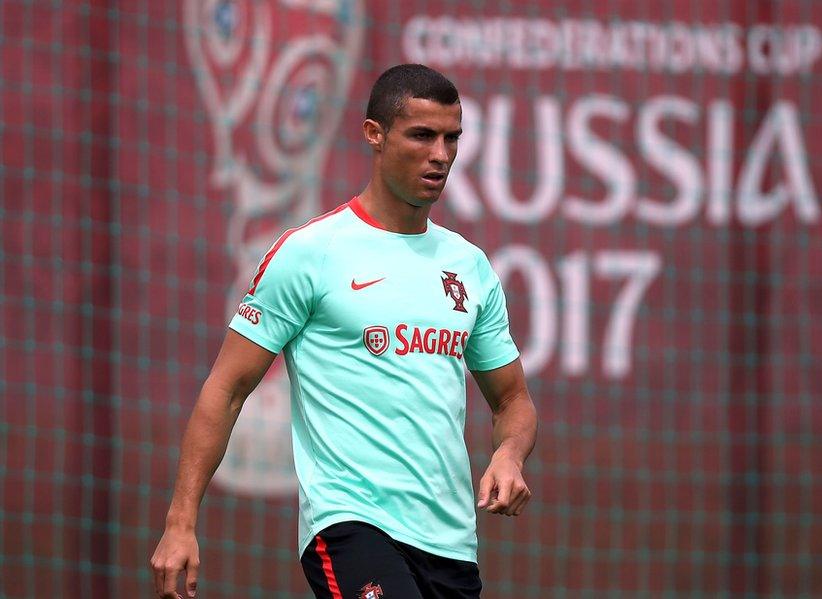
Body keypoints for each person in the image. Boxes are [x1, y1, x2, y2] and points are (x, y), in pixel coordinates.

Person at [149, 64, 538, 599]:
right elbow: (228, 388)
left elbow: (513, 399)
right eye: (422, 135)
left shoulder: (469, 267)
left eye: (452, 138)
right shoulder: (311, 253)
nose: (441, 154)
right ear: (374, 134)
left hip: (451, 544)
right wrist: (180, 522)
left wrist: (509, 454)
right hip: (350, 523)